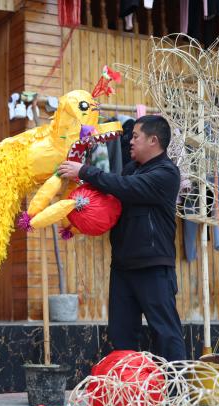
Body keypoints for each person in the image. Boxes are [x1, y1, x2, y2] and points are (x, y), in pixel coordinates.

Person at [58, 115, 186, 362]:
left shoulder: (166, 173)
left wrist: (85, 169)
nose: (130, 141)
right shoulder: (131, 168)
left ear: (153, 140)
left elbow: (125, 187)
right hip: (123, 266)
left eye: (136, 136)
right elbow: (112, 191)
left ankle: (177, 393)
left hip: (153, 266)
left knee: (166, 333)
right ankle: (128, 391)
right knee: (121, 335)